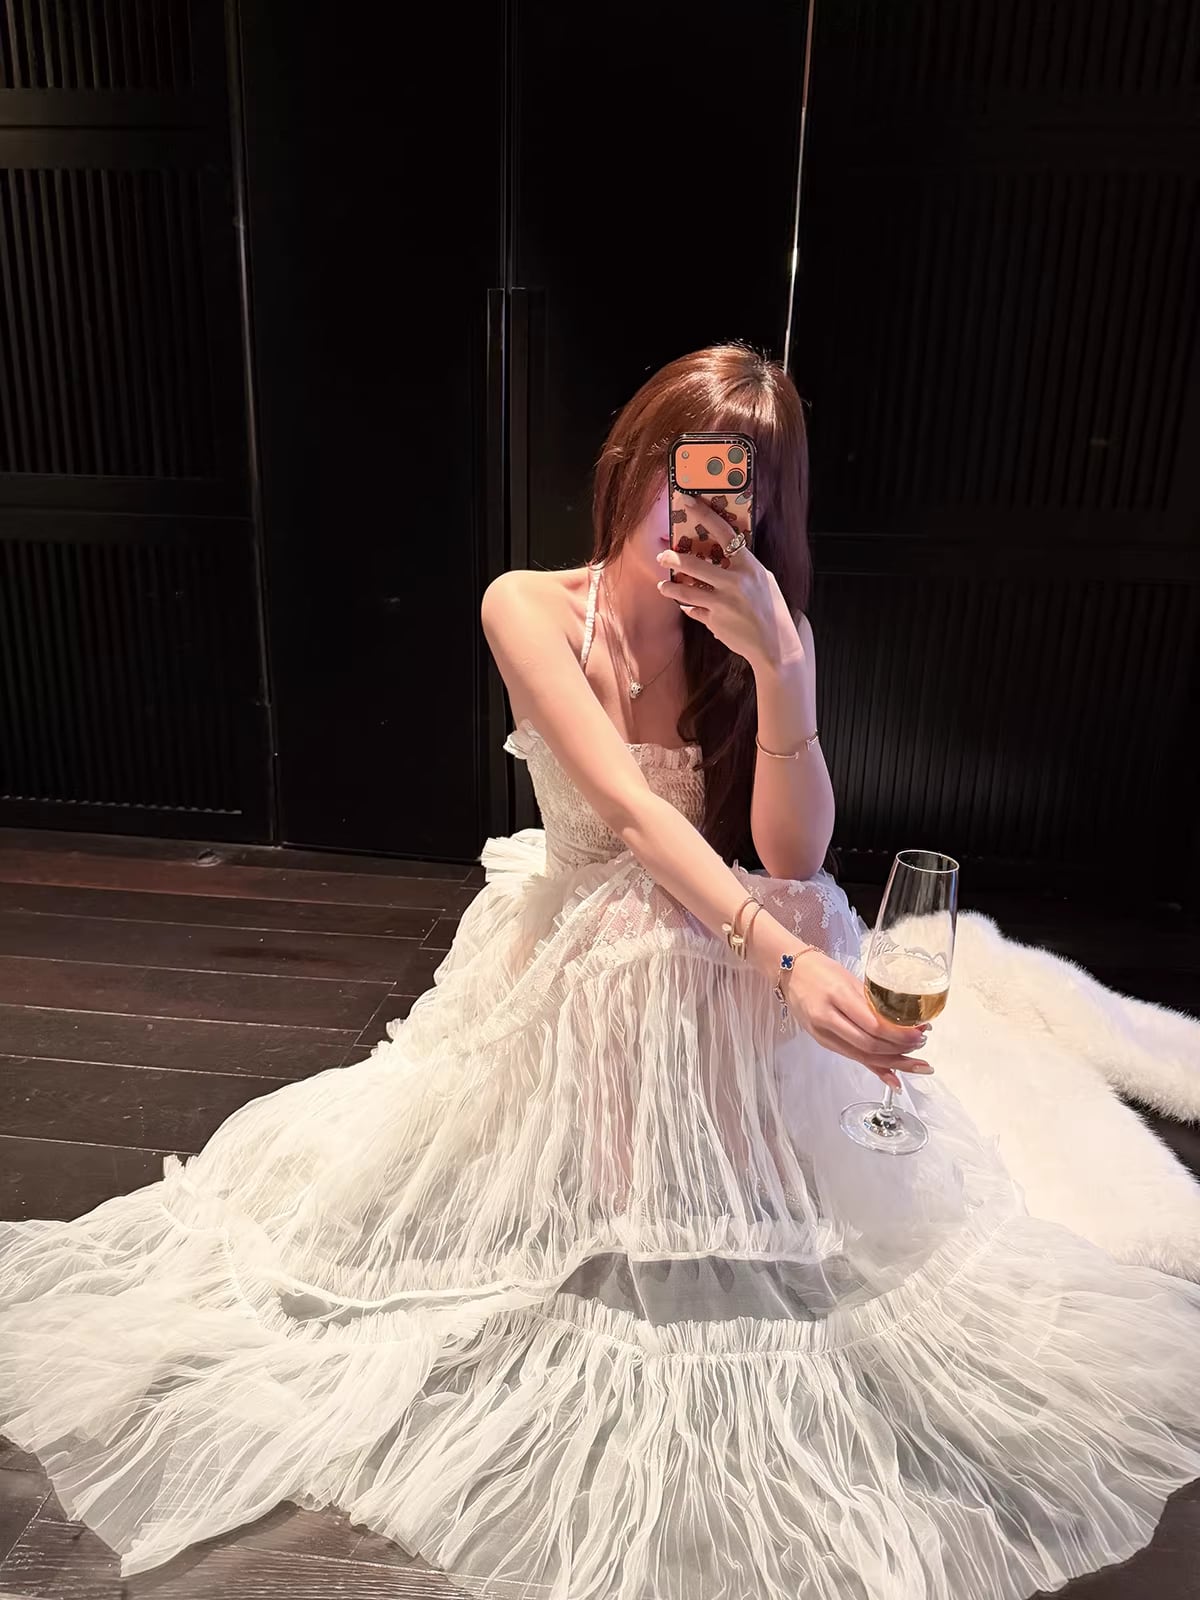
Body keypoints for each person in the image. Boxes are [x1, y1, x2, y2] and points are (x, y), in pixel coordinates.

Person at [1, 343, 1198, 1599]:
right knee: (660, 924)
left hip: (718, 924)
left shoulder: (764, 629)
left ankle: (730, 1180)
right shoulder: (526, 604)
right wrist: (787, 965)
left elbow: (793, 854)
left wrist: (782, 674)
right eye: (686, 472)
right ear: (630, 463)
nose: (701, 510)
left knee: (800, 901)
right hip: (589, 942)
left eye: (739, 490)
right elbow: (629, 817)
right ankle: (646, 1204)